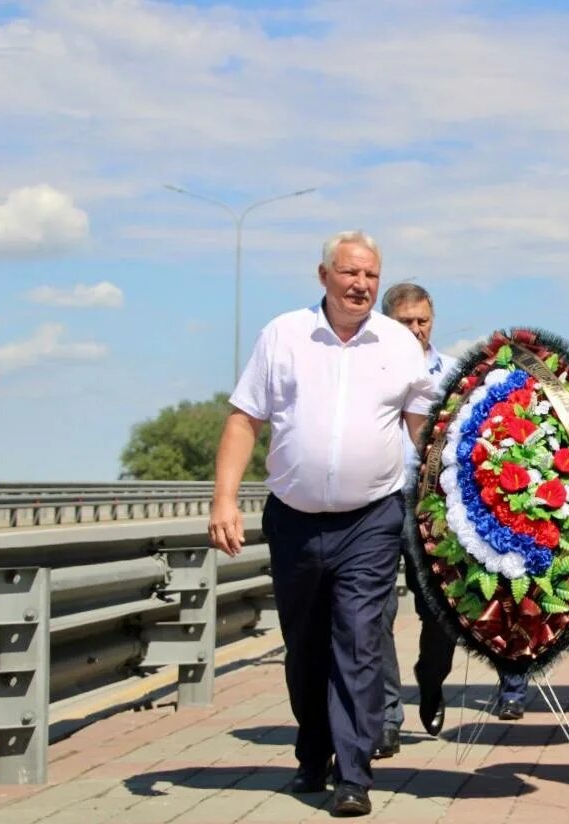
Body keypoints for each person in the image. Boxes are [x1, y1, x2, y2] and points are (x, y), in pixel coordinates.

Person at [208, 230, 435, 817]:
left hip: (371, 519)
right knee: (305, 645)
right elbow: (243, 421)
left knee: (358, 640)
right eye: (349, 273)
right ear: (324, 275)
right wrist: (224, 500)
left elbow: (424, 431)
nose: (361, 285)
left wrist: (448, 503)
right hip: (294, 521)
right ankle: (313, 751)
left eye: (371, 276)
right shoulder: (283, 335)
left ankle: (354, 772)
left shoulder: (397, 344)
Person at [374, 284, 529, 762]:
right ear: (388, 323)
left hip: (433, 509)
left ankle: (429, 678)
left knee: (440, 612)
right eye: (405, 322)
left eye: (422, 320)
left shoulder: (455, 376)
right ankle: (385, 717)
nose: (416, 329)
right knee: (374, 614)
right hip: (377, 503)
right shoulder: (371, 369)